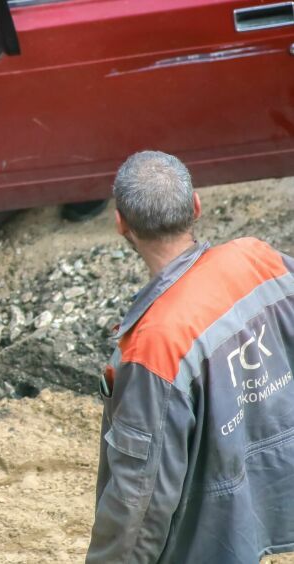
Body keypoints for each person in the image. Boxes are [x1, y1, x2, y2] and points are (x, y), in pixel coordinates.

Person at [86, 151, 294, 563]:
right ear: (196, 205)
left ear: (120, 223)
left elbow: (140, 497)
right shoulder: (258, 259)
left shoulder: (156, 344)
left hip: (214, 535)